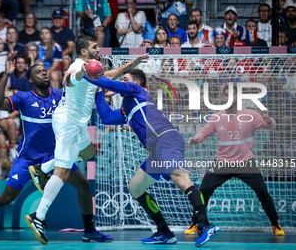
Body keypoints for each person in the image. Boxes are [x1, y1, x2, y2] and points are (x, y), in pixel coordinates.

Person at [0, 52, 113, 243]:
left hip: (55, 156)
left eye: (45, 71)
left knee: (84, 185)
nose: (44, 74)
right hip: (28, 158)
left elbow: (82, 93)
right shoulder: (23, 98)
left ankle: (89, 231)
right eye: (39, 72)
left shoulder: (60, 95)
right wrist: (6, 74)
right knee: (6, 198)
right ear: (31, 79)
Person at [25, 35, 148, 245]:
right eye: (94, 46)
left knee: (89, 153)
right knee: (62, 172)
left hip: (77, 125)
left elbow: (107, 75)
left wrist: (131, 64)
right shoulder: (78, 67)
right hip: (68, 124)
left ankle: (43, 168)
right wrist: (77, 71)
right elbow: (72, 79)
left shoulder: (93, 69)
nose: (98, 49)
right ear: (84, 52)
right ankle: (39, 216)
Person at [83, 68, 220, 247]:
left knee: (181, 179)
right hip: (157, 149)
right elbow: (107, 117)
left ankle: (205, 224)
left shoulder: (138, 91)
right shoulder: (128, 108)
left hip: (166, 139)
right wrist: (99, 92)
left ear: (135, 83)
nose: (122, 82)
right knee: (135, 188)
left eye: (125, 79)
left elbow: (110, 83)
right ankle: (164, 232)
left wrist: (89, 76)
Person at [185, 85, 285, 236]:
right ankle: (195, 222)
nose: (228, 98)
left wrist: (269, 120)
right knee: (203, 191)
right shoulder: (217, 116)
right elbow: (205, 132)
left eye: (232, 94)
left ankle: (275, 224)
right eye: (226, 95)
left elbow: (270, 126)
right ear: (223, 98)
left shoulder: (251, 114)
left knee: (262, 190)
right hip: (221, 162)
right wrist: (195, 139)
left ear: (239, 96)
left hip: (245, 162)